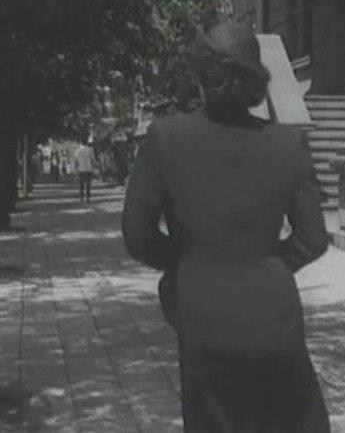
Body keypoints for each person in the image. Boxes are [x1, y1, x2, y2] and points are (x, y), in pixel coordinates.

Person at [122, 22, 330, 432]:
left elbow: (137, 234)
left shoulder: (165, 139)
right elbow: (314, 238)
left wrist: (187, 264)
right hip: (273, 315)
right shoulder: (288, 144)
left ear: (200, 77)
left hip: (203, 314)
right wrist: (266, 264)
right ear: (256, 78)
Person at [74, 138, 96, 202]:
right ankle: (88, 198)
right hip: (88, 169)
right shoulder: (90, 150)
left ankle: (81, 198)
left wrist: (76, 168)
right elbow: (93, 160)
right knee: (88, 184)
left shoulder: (78, 150)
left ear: (81, 143)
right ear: (86, 143)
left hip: (81, 169)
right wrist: (93, 168)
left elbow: (76, 160)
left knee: (81, 184)